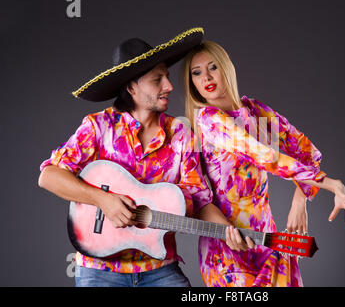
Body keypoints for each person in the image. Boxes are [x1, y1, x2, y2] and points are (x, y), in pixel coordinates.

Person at [38, 28, 250, 287]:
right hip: (99, 270)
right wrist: (104, 200)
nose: (169, 86)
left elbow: (200, 201)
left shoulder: (181, 133)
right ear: (131, 87)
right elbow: (48, 176)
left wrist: (229, 232)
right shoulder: (98, 126)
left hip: (160, 268)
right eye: (157, 80)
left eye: (168, 77)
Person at [182, 41, 345, 287]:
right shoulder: (208, 121)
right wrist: (331, 184)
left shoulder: (256, 112)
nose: (206, 77)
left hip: (267, 242)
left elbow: (306, 151)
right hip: (226, 251)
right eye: (197, 72)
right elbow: (263, 155)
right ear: (192, 83)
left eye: (213, 67)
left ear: (227, 68)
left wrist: (301, 198)